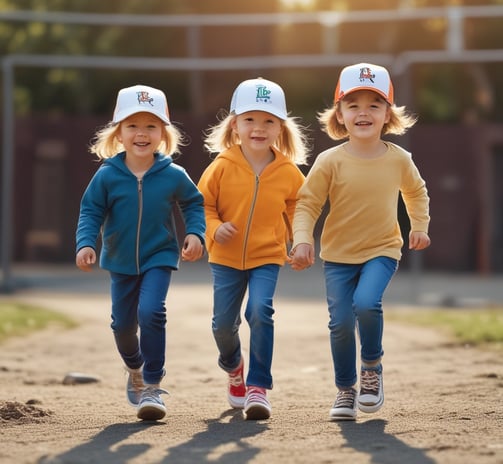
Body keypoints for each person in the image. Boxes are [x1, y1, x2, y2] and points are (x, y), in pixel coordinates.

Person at [290, 63, 431, 421]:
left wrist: (419, 225)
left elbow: (416, 192)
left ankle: (371, 368)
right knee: (339, 322)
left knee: (366, 304)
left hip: (382, 249)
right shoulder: (329, 161)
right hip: (338, 256)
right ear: (339, 113)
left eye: (374, 104)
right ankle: (345, 390)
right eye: (353, 105)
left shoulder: (399, 159)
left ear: (388, 114)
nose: (363, 112)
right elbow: (307, 203)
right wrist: (303, 239)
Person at [75, 84, 206, 421]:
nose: (142, 133)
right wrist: (86, 243)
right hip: (119, 260)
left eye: (151, 125)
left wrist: (195, 233)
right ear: (119, 133)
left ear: (163, 133)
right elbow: (90, 211)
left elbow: (193, 203)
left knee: (151, 312)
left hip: (159, 256)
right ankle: (134, 367)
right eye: (132, 125)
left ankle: (152, 384)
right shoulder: (106, 175)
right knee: (121, 325)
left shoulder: (173, 174)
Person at [197, 77, 309, 420]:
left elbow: (298, 207)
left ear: (280, 128)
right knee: (222, 324)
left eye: (268, 121)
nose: (258, 128)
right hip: (226, 258)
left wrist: (299, 241)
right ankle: (234, 367)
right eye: (250, 119)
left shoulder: (289, 171)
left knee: (260, 311)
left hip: (268, 256)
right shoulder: (220, 166)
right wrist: (215, 229)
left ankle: (258, 386)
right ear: (235, 124)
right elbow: (201, 207)